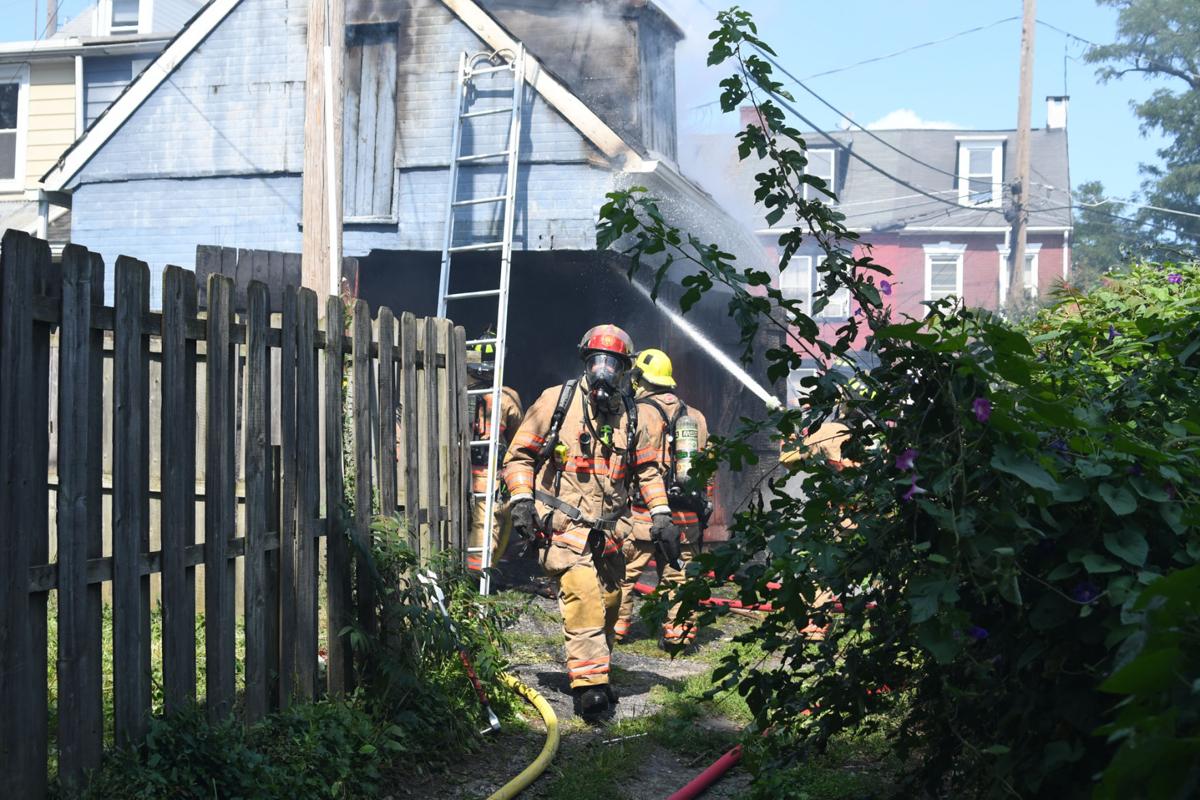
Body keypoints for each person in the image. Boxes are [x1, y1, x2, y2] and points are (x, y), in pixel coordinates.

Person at [503, 324, 676, 721]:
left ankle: (596, 668)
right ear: (585, 362)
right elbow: (520, 457)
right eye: (597, 361)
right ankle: (590, 690)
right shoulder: (556, 402)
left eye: (613, 364)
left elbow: (647, 471)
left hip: (611, 534)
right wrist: (522, 500)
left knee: (611, 605)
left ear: (625, 371)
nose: (604, 371)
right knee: (583, 599)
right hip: (565, 528)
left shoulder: (633, 415)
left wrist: (662, 515)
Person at [614, 348, 713, 649]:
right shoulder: (695, 417)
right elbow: (707, 469)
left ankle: (616, 629)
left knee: (624, 574)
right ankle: (679, 634)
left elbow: (622, 464)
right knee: (679, 576)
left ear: (640, 379)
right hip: (685, 516)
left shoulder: (634, 413)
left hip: (644, 514)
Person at [465, 344, 524, 573]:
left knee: (477, 533)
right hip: (490, 481)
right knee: (487, 536)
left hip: (463, 477)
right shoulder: (506, 397)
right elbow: (518, 441)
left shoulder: (456, 390)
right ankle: (475, 582)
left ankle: (470, 578)